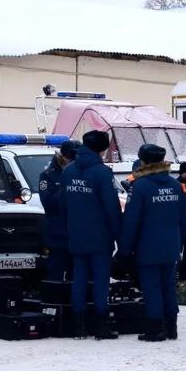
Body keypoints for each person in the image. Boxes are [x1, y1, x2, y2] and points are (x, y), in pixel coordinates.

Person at [119, 144, 186, 342]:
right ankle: (171, 326)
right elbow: (183, 219)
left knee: (151, 287)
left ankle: (155, 328)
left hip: (147, 246)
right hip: (171, 245)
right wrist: (179, 242)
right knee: (168, 285)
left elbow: (132, 220)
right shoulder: (175, 185)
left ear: (144, 162)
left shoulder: (140, 186)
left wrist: (125, 247)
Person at [62, 130, 123, 339]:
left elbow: (64, 204)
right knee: (100, 281)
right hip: (99, 236)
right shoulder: (102, 173)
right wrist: (118, 236)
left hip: (76, 234)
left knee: (79, 279)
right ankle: (101, 327)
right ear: (101, 148)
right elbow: (111, 208)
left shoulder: (68, 171)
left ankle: (78, 326)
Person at [38, 139, 80, 282]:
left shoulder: (82, 173)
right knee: (55, 274)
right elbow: (49, 203)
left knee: (76, 276)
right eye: (70, 158)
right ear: (62, 156)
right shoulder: (48, 175)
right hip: (58, 234)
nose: (72, 161)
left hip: (76, 234)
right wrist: (66, 184)